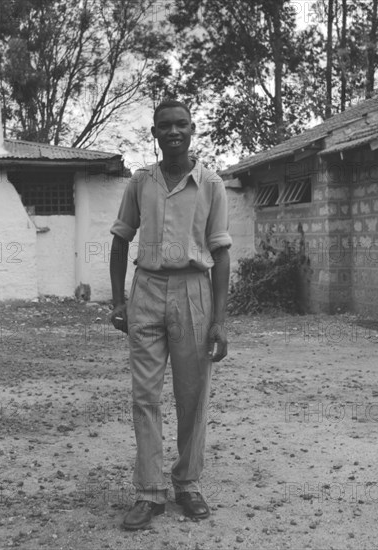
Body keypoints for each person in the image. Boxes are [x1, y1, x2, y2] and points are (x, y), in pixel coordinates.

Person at [109, 99, 232, 530]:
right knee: (144, 396)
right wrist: (117, 301)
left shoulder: (211, 184)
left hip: (194, 291)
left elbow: (220, 252)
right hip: (147, 290)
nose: (173, 131)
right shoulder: (141, 182)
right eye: (165, 126)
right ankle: (149, 492)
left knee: (192, 395)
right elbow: (121, 239)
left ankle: (187, 482)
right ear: (155, 133)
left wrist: (218, 319)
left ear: (193, 129)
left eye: (181, 124)